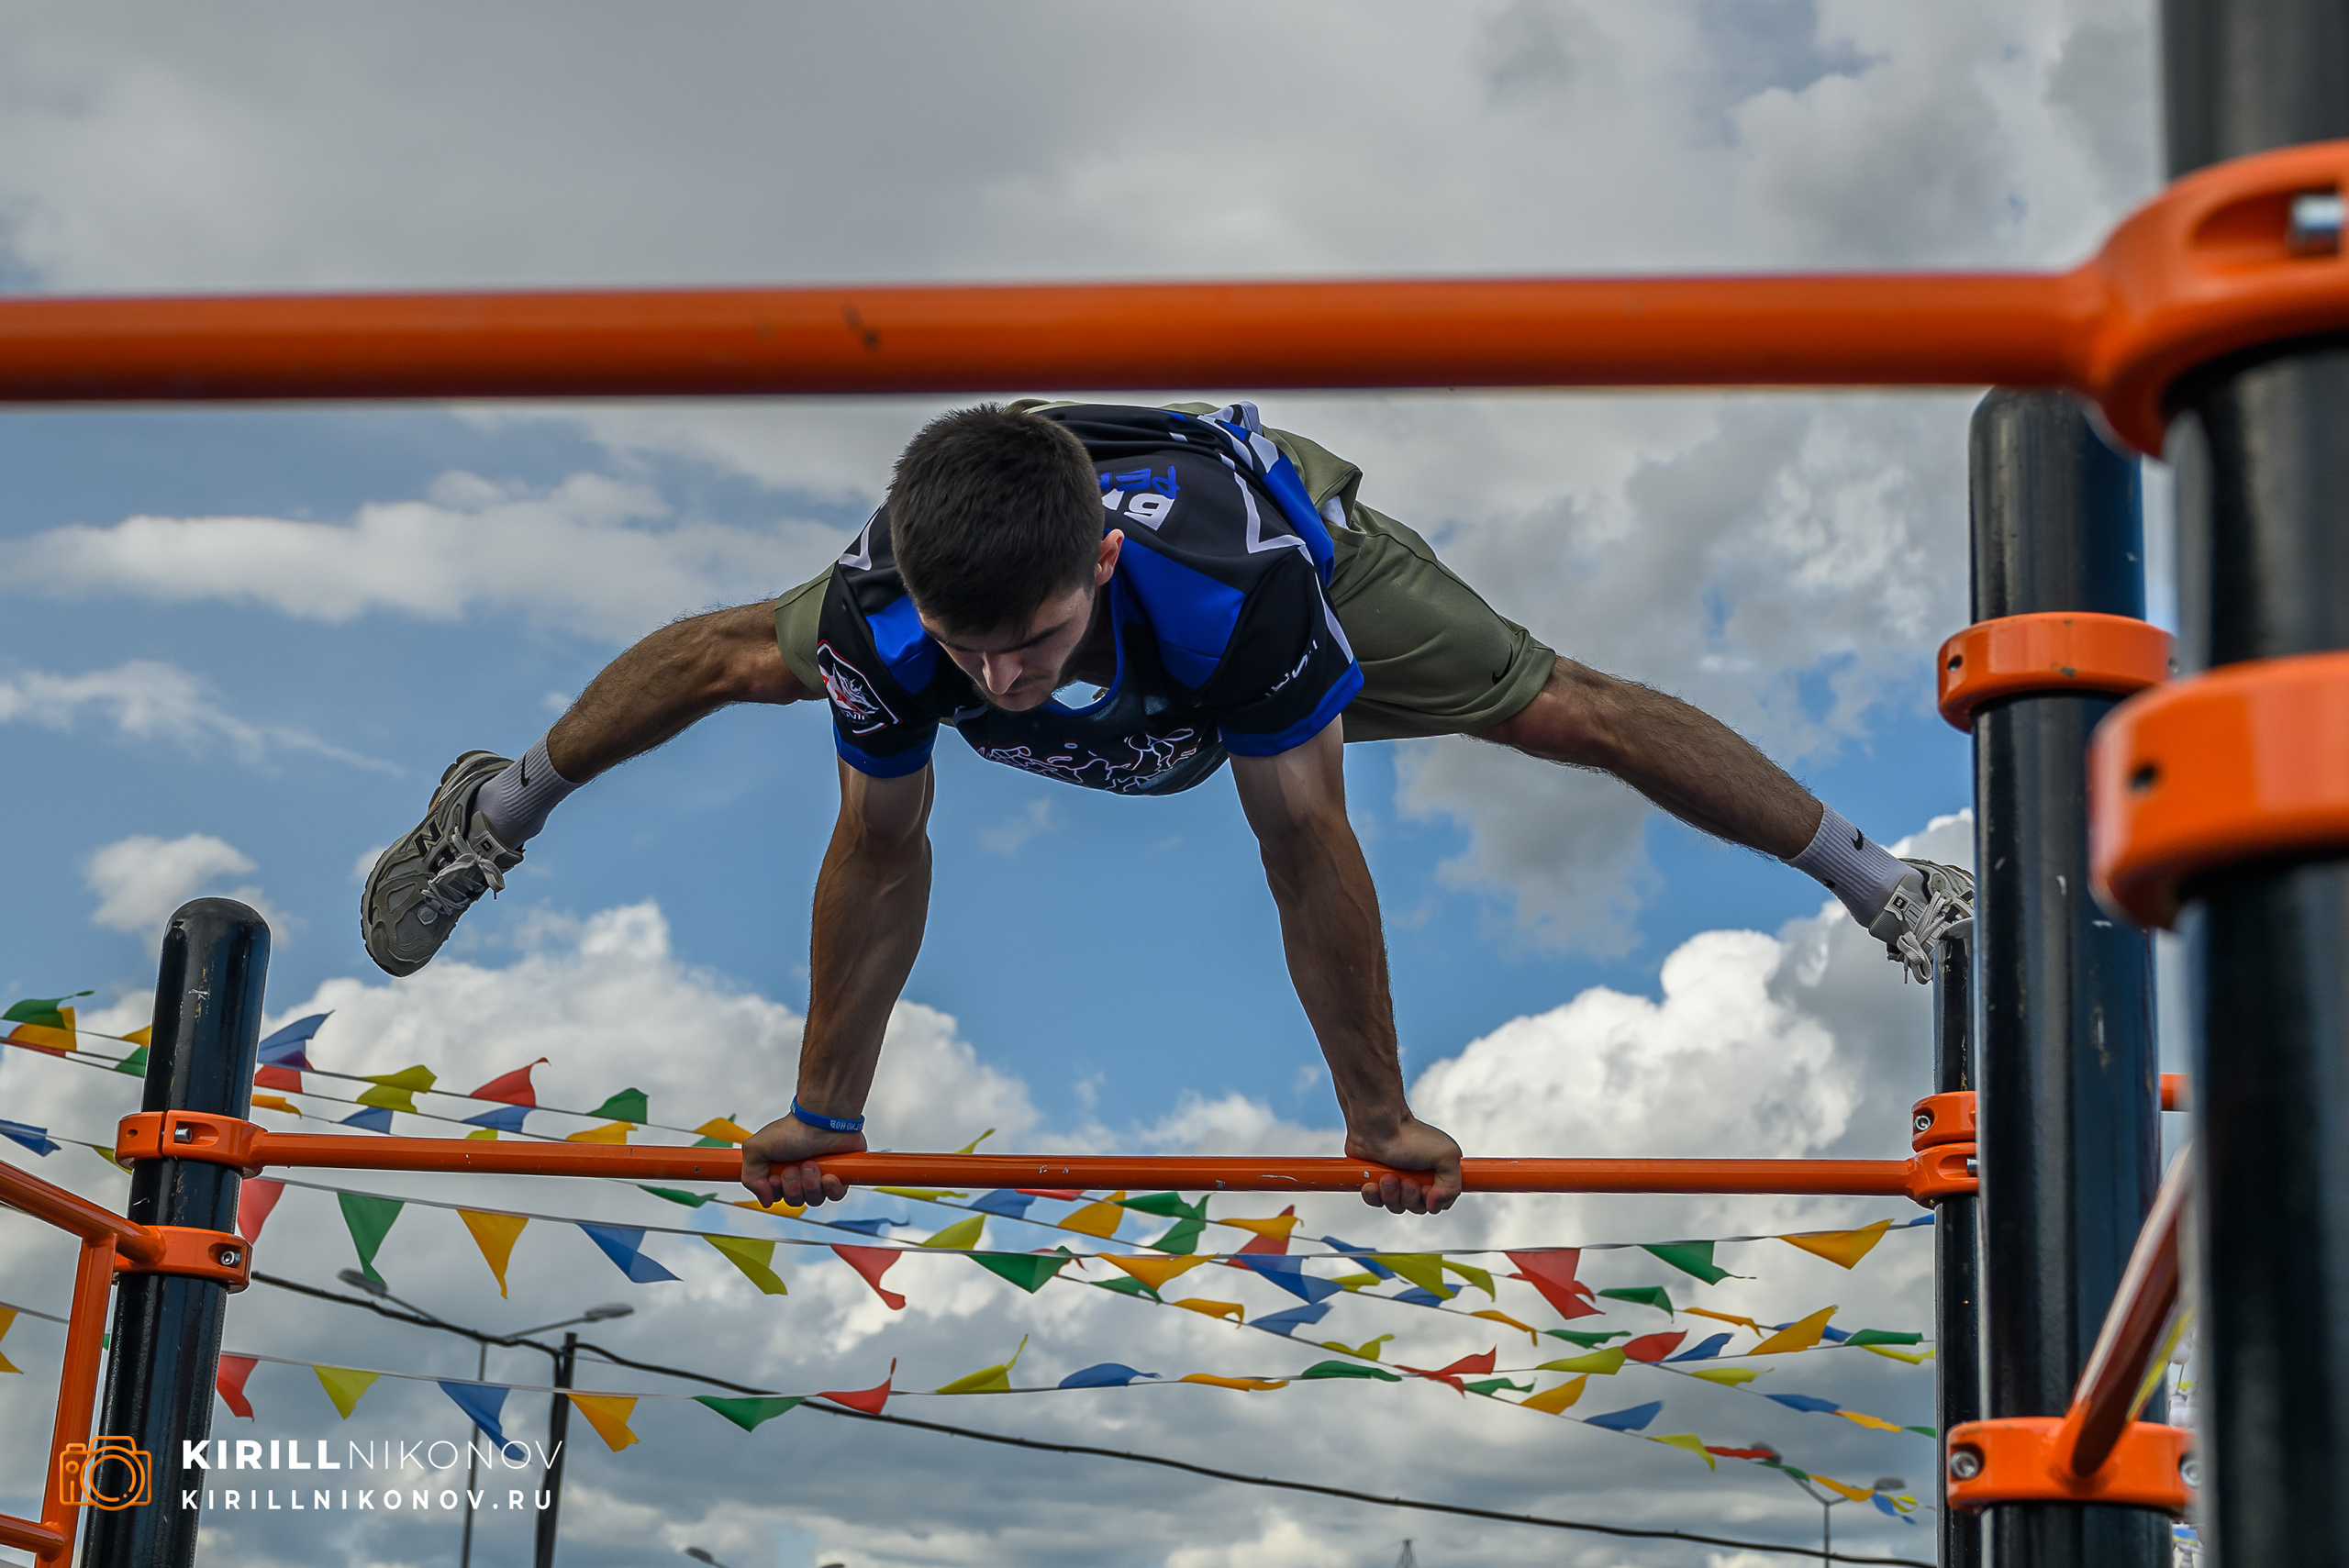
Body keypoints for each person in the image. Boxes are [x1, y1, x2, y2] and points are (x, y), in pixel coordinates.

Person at [360, 402, 1972, 1216]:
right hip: (996, 508)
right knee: (734, 654)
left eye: (1036, 646)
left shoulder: (1238, 600)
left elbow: (1302, 846)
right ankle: (490, 815)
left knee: (1567, 710)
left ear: (1103, 576)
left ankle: (1884, 884)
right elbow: (880, 848)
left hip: (1290, 526)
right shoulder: (894, 617)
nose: (1000, 686)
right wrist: (827, 1107)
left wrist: (1380, 1117)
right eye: (971, 653)